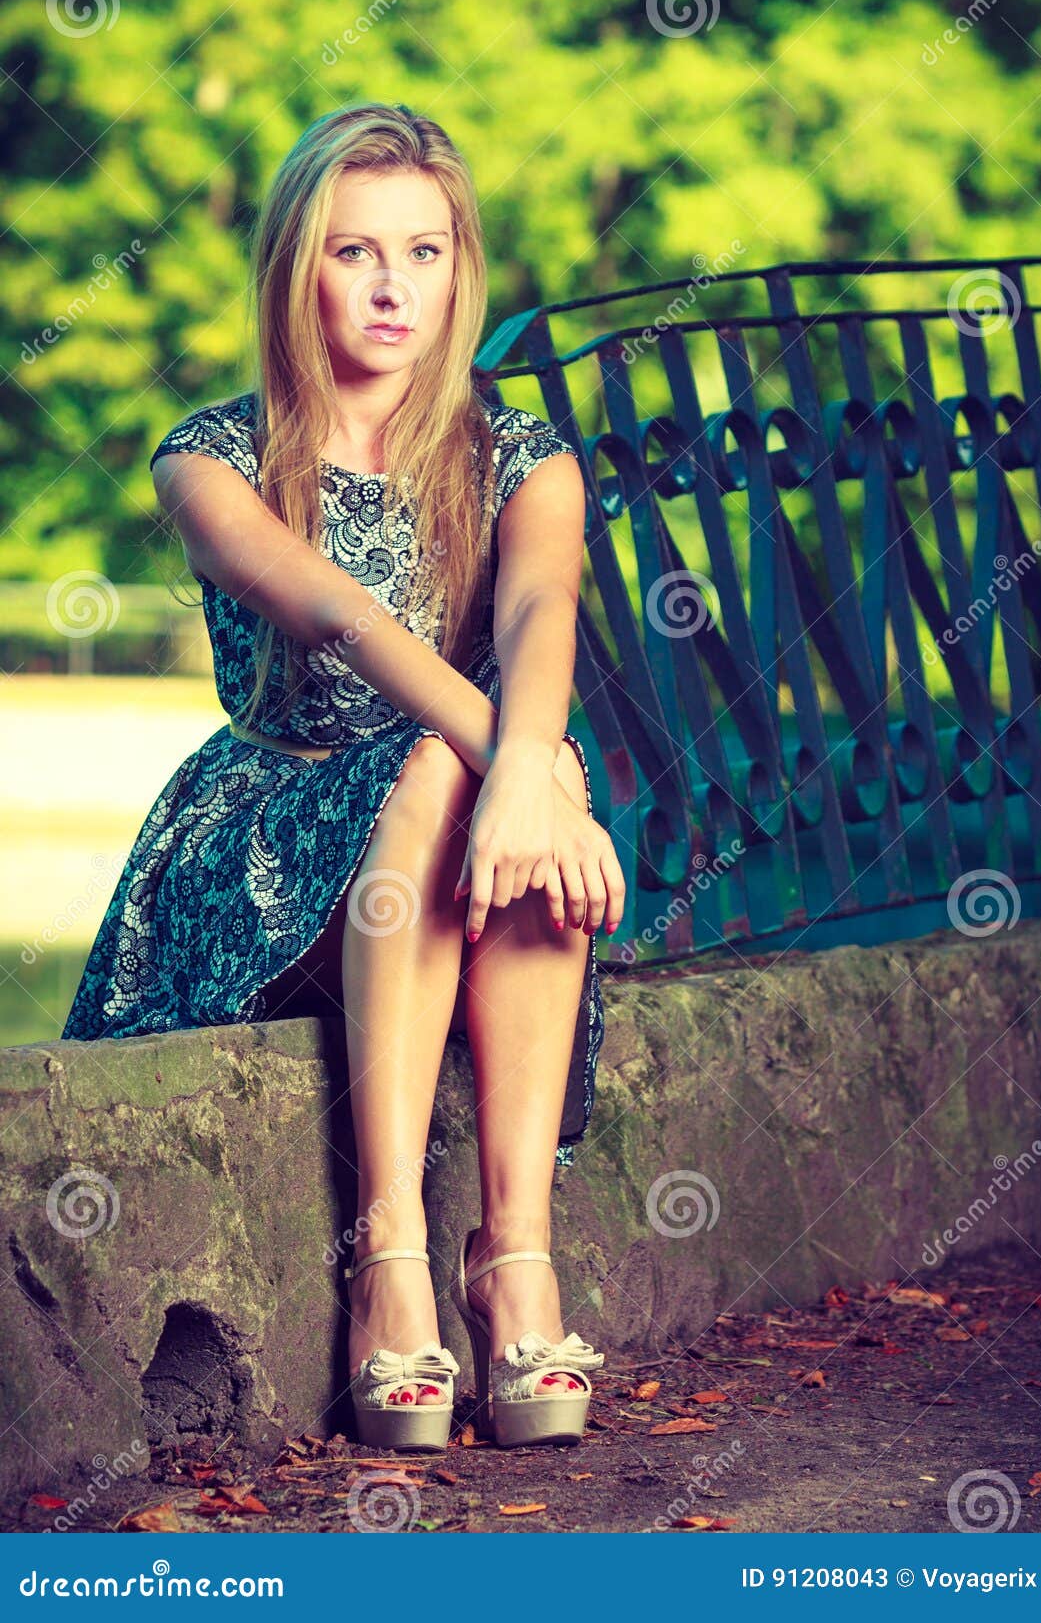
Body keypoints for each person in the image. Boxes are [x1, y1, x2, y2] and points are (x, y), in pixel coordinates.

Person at [62, 102, 626, 1451]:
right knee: (464, 758)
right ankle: (392, 1264)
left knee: (475, 766)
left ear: (460, 266)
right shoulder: (212, 456)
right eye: (355, 253)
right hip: (258, 844)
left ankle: (516, 1259)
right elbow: (345, 622)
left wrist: (525, 769)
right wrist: (521, 766)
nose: (392, 288)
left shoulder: (521, 456)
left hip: (444, 839)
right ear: (295, 268)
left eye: (424, 254)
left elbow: (544, 611)